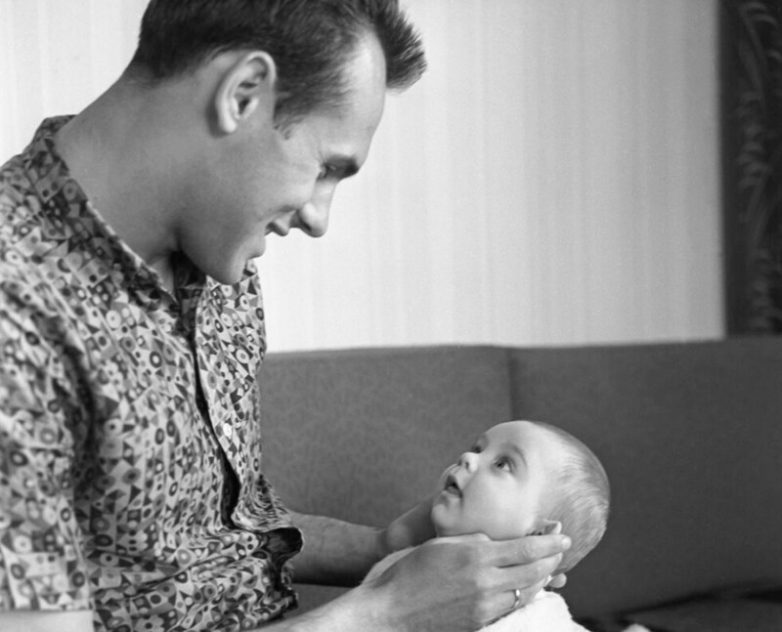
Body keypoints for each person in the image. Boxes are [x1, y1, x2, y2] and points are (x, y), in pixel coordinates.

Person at [0, 2, 572, 631]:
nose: (319, 218)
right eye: (327, 167)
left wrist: (390, 549)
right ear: (243, 93)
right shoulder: (15, 310)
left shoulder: (218, 257)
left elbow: (222, 537)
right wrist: (384, 614)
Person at [362, 420, 611, 631]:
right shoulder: (399, 568)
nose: (467, 457)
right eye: (478, 448)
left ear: (538, 536)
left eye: (502, 464)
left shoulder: (537, 622)